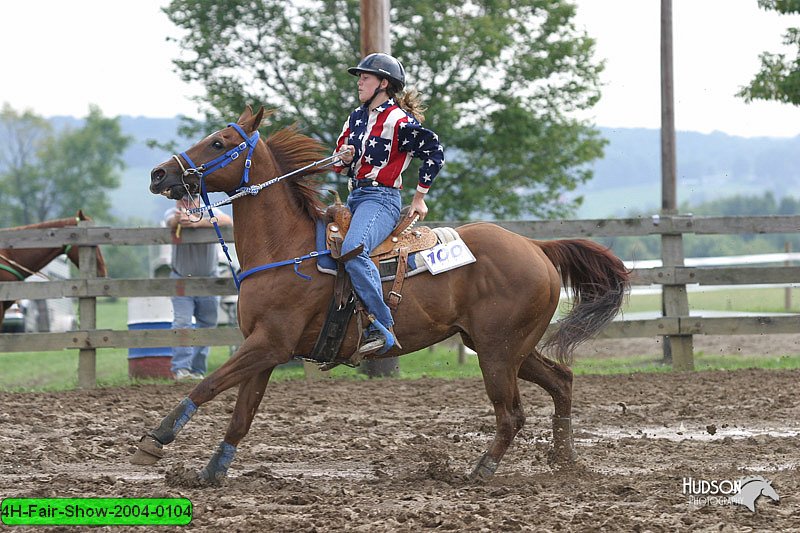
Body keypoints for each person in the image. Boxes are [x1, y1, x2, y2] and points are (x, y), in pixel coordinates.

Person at [332, 53, 445, 356]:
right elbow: (339, 164)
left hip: (381, 199)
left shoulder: (399, 121)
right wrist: (342, 159)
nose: (360, 82)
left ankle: (382, 326)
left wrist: (419, 196)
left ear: (384, 83)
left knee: (354, 250)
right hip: (354, 197)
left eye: (365, 77)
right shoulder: (355, 118)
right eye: (359, 77)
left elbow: (435, 151)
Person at [164, 194, 233, 380]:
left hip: (209, 280)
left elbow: (227, 220)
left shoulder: (208, 211)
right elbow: (171, 221)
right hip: (181, 279)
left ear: (197, 200)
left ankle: (197, 369)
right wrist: (181, 219)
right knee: (182, 322)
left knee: (208, 324)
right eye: (181, 199)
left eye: (189, 199)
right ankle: (181, 369)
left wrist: (197, 222)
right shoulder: (172, 213)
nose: (184, 203)